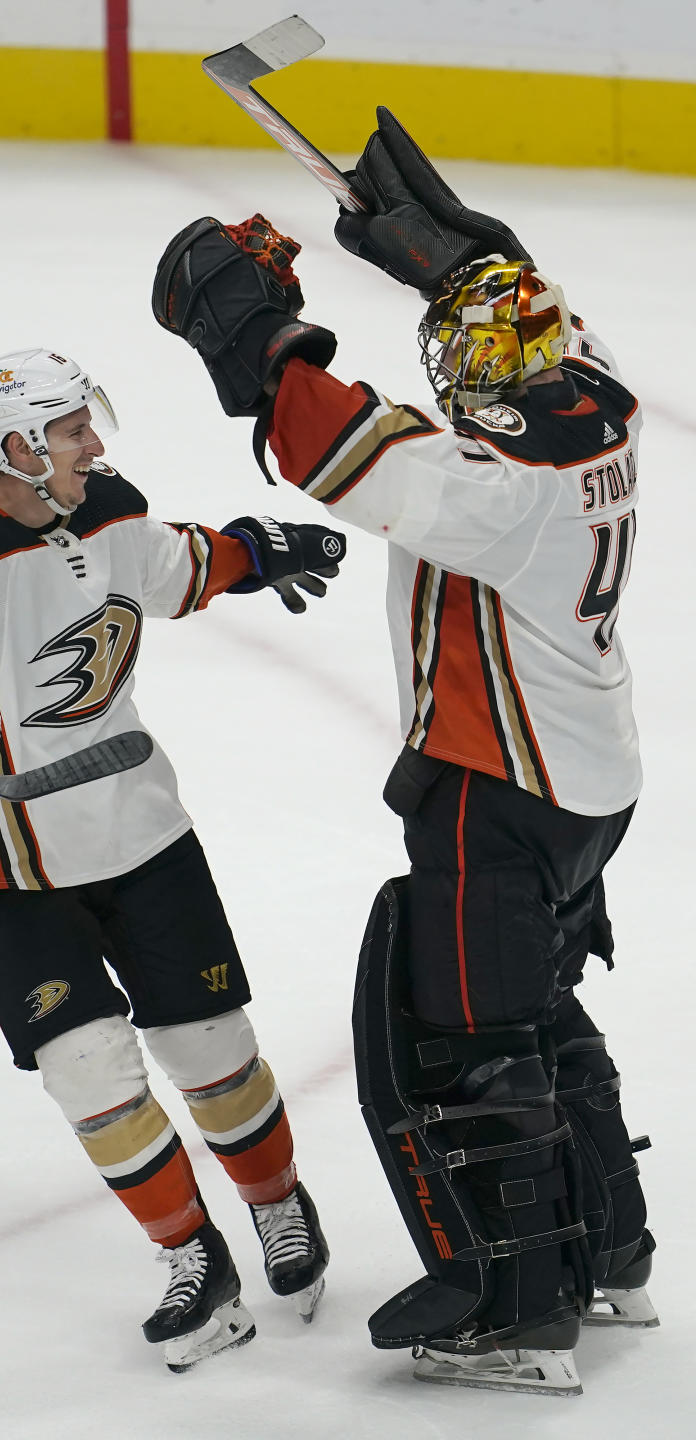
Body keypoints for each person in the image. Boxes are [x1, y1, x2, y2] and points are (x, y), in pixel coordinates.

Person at [151, 109, 656, 1397]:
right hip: (590, 779)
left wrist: (261, 339)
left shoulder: (496, 492)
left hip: (501, 785)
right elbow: (527, 307)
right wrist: (453, 256)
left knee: (463, 1036)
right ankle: (612, 1253)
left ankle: (517, 1307)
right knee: (540, 1010)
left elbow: (335, 443)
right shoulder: (595, 397)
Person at [0, 347, 343, 1372]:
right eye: (75, 428)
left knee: (212, 1051)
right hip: (9, 866)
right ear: (19, 446)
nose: (95, 442)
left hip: (140, 832)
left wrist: (263, 552)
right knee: (90, 1075)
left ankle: (276, 1205)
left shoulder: (113, 511)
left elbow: (181, 564)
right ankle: (193, 1258)